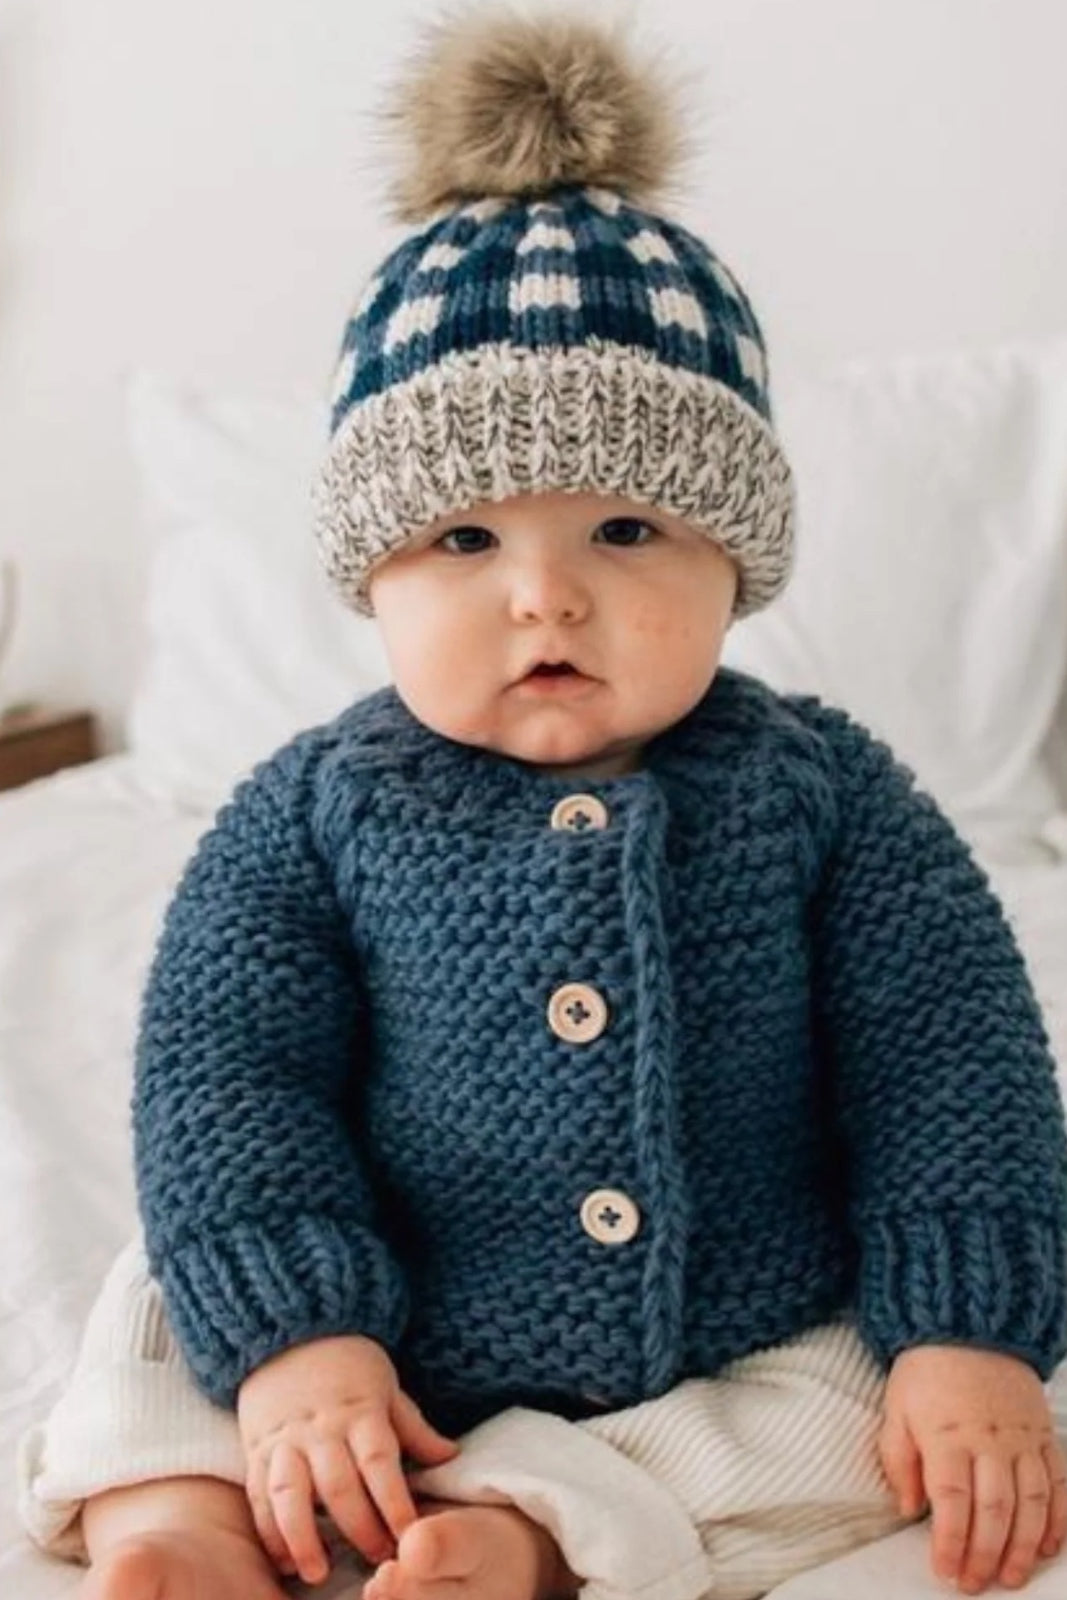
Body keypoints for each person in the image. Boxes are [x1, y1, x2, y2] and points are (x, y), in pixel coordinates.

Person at [16, 8, 1067, 1600]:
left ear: (738, 561)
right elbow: (226, 1075)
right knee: (162, 1290)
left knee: (855, 1414)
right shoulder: (316, 811)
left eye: (628, 531)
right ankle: (182, 1518)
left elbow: (954, 1058)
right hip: (381, 1300)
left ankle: (522, 1525)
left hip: (729, 1316)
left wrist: (966, 1333)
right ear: (371, 577)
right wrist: (301, 1331)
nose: (546, 599)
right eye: (466, 543)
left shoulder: (828, 793)